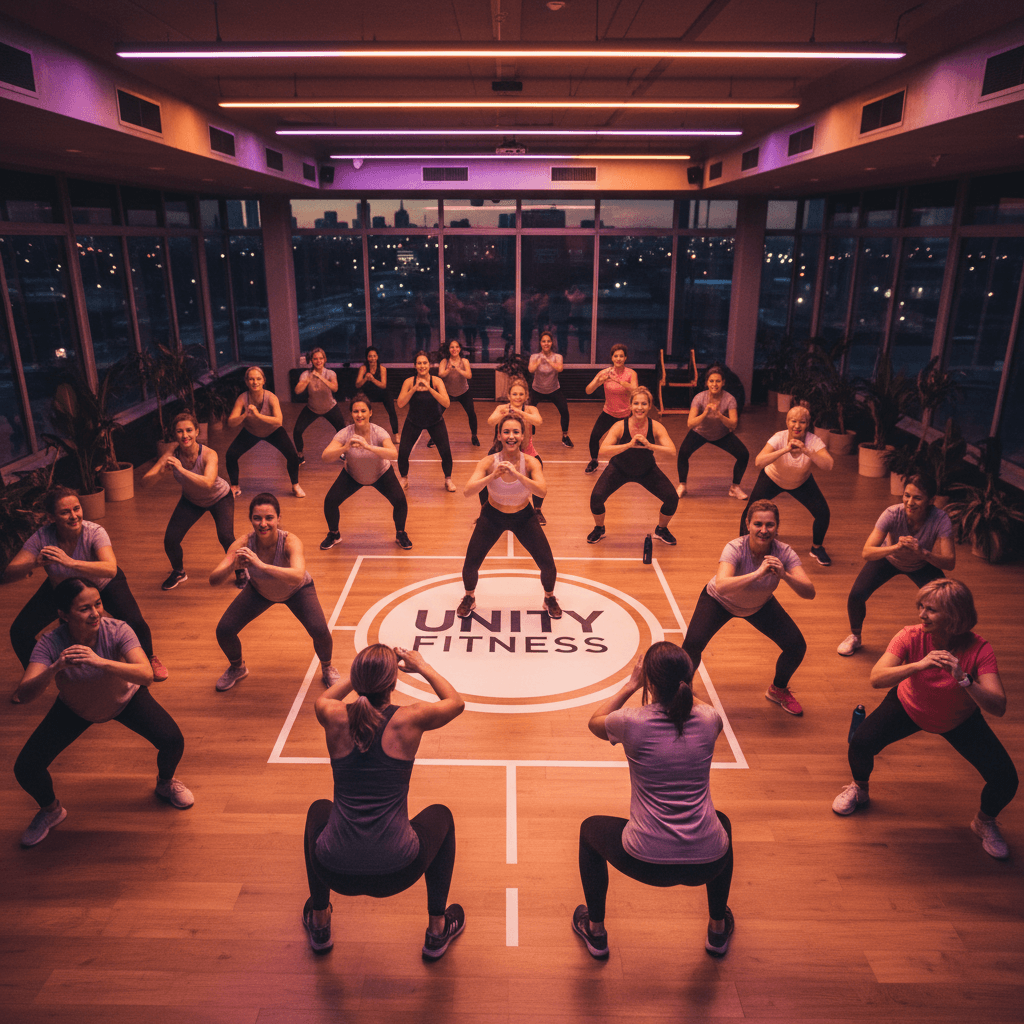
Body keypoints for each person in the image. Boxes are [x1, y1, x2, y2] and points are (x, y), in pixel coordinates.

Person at [832, 580, 1017, 860]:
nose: (921, 614)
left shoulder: (980, 649)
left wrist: (965, 680)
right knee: (860, 744)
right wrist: (919, 665)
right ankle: (860, 789)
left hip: (958, 718)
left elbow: (999, 706)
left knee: (1005, 779)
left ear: (954, 616)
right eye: (921, 606)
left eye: (931, 609)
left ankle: (984, 821)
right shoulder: (910, 635)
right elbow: (876, 678)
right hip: (908, 705)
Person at [302, 643, 466, 958]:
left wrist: (357, 674)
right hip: (398, 870)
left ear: (356, 677)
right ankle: (437, 929)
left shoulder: (332, 715)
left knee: (318, 811)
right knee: (441, 815)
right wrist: (421, 666)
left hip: (334, 870)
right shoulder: (409, 719)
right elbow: (455, 702)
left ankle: (320, 921)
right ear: (392, 684)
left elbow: (325, 697)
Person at [573, 642, 735, 960]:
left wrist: (632, 684)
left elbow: (595, 720)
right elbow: (706, 710)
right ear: (686, 681)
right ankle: (717, 930)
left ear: (650, 683)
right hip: (708, 862)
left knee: (589, 830)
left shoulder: (630, 722)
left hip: (647, 861)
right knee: (722, 823)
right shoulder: (709, 720)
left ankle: (595, 931)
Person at [13, 577, 193, 848]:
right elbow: (25, 694)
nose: (95, 612)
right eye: (84, 608)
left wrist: (100, 662)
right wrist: (54, 668)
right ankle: (51, 810)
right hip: (75, 708)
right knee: (25, 768)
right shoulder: (50, 644)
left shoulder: (118, 629)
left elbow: (145, 675)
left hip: (125, 699)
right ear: (63, 614)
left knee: (172, 740)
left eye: (97, 604)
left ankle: (165, 783)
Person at [4, 486, 166, 684]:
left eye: (77, 509)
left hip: (102, 583)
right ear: (51, 517)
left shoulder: (94, 532)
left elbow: (110, 568)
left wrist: (69, 562)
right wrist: (34, 563)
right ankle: (38, 674)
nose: (74, 516)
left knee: (134, 620)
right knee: (20, 631)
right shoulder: (42, 536)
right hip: (64, 588)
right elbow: (10, 573)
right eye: (65, 512)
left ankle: (149, 658)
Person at [682, 499, 815, 717]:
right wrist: (758, 574)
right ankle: (683, 691)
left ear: (777, 526)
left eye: (770, 525)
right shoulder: (735, 548)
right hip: (718, 601)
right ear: (748, 524)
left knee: (796, 646)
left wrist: (785, 575)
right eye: (758, 524)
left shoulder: (784, 552)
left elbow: (809, 593)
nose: (764, 530)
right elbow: (722, 586)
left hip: (759, 604)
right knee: (692, 645)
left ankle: (778, 689)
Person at [209, 492, 335, 692]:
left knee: (320, 631)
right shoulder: (243, 544)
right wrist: (232, 565)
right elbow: (213, 580)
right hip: (260, 590)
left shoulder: (290, 541)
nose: (263, 523)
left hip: (297, 590)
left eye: (269, 518)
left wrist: (260, 565)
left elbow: (297, 575)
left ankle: (328, 668)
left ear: (278, 518)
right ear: (251, 519)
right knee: (224, 630)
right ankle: (237, 667)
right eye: (257, 518)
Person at [457, 411, 561, 620]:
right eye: (506, 432)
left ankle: (549, 597)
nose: (511, 436)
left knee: (548, 563)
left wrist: (518, 476)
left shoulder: (531, 463)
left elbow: (541, 492)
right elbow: (468, 491)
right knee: (471, 563)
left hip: (524, 516)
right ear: (499, 436)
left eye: (515, 432)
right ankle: (469, 597)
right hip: (492, 516)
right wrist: (493, 475)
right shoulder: (488, 462)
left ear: (523, 437)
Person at [838, 473, 955, 657]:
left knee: (947, 602)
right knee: (856, 595)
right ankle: (855, 637)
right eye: (906, 495)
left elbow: (950, 562)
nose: (910, 502)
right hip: (889, 559)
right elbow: (867, 552)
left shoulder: (941, 520)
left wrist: (923, 553)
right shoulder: (892, 513)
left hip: (922, 563)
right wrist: (895, 548)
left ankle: (941, 642)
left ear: (931, 500)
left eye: (917, 498)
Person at [142, 412, 236, 593]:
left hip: (219, 497)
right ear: (174, 434)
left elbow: (208, 483)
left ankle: (241, 570)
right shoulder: (171, 452)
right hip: (192, 500)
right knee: (170, 539)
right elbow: (144, 483)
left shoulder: (209, 454)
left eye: (189, 430)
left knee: (226, 537)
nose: (185, 435)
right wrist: (159, 473)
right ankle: (178, 571)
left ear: (197, 431)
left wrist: (179, 468)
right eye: (179, 432)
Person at [739, 403, 833, 566]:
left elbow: (829, 465)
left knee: (823, 513)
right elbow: (758, 462)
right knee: (750, 511)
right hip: (772, 478)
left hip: (801, 482)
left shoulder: (814, 441)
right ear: (787, 422)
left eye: (802, 422)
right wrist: (784, 450)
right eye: (793, 421)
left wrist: (807, 451)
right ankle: (744, 545)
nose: (797, 426)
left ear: (807, 424)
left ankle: (817, 548)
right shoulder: (779, 437)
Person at [587, 387, 679, 546]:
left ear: (650, 406)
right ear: (630, 406)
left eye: (644, 404)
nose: (640, 407)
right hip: (619, 469)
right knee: (596, 497)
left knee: (672, 498)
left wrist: (650, 445)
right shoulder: (619, 426)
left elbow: (672, 451)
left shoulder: (655, 426)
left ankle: (661, 530)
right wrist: (628, 444)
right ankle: (599, 528)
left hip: (646, 470)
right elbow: (602, 450)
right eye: (636, 403)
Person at [320, 394, 412, 551]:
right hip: (353, 475)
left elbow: (393, 454)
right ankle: (334, 534)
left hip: (381, 474)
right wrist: (344, 448)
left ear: (370, 412)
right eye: (355, 411)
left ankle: (401, 533)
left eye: (363, 411)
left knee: (400, 501)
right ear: (351, 414)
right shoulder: (345, 433)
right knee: (330, 501)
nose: (359, 415)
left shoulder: (379, 432)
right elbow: (325, 457)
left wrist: (368, 446)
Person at [225, 366, 305, 499]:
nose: (255, 382)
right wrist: (244, 415)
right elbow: (231, 422)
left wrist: (257, 415)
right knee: (230, 455)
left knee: (292, 456)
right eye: (251, 379)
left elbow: (278, 421)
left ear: (263, 380)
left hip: (273, 431)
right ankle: (234, 486)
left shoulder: (271, 397)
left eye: (258, 379)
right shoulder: (242, 398)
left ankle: (295, 485)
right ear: (246, 381)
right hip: (251, 432)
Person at [675, 365, 749, 500]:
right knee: (683, 453)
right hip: (700, 433)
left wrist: (719, 415)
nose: (714, 384)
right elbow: (690, 423)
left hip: (722, 434)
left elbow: (734, 424)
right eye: (711, 381)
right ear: (707, 383)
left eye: (718, 381)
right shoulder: (699, 398)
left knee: (744, 454)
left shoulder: (730, 399)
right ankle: (682, 485)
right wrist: (705, 413)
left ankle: (735, 487)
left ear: (723, 382)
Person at [486, 377, 546, 523]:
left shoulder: (531, 409)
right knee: (485, 471)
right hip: (502, 450)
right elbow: (490, 421)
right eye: (514, 394)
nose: (518, 397)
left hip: (526, 450)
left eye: (521, 394)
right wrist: (503, 414)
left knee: (538, 471)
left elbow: (538, 421)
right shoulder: (502, 408)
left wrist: (521, 413)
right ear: (509, 395)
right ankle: (484, 508)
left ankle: (537, 510)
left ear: (526, 396)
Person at [396, 351, 455, 492]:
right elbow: (400, 403)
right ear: (415, 366)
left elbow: (446, 403)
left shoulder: (436, 381)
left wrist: (429, 389)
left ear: (429, 365)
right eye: (419, 363)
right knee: (403, 452)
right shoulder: (409, 382)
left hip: (435, 421)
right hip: (413, 421)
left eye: (425, 363)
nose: (422, 366)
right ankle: (404, 479)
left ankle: (448, 479)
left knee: (446, 452)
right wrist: (415, 389)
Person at [583, 344, 637, 474]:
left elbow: (636, 390)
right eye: (616, 356)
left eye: (621, 356)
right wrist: (598, 382)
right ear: (612, 358)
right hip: (608, 413)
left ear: (625, 358)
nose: (618, 359)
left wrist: (619, 381)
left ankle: (628, 465)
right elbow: (588, 390)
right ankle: (594, 461)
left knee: (627, 443)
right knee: (594, 438)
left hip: (626, 414)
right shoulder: (604, 373)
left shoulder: (631, 373)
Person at [293, 347, 347, 463]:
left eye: (321, 358)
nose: (318, 361)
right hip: (312, 408)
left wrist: (321, 377)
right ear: (311, 360)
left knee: (343, 430)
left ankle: (342, 452)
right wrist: (307, 380)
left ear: (325, 359)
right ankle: (300, 455)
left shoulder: (330, 373)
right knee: (297, 431)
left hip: (330, 407)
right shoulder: (306, 374)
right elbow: (297, 390)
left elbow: (335, 388)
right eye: (315, 359)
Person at [529, 330, 573, 448]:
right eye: (544, 341)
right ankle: (529, 438)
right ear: (540, 343)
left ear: (552, 343)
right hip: (537, 389)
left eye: (548, 341)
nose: (546, 343)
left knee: (564, 411)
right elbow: (531, 370)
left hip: (554, 389)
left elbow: (560, 369)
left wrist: (548, 360)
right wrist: (538, 361)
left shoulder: (557, 357)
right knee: (528, 412)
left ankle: (565, 436)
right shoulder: (534, 356)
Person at [438, 338, 479, 446]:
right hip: (448, 392)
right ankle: (435, 436)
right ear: (449, 349)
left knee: (471, 414)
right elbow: (440, 375)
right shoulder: (444, 361)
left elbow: (469, 375)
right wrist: (448, 370)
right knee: (437, 414)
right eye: (452, 347)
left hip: (463, 392)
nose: (454, 349)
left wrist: (458, 369)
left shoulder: (464, 361)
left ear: (460, 349)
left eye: (456, 347)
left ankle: (474, 436)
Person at [355, 347, 399, 435]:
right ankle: (362, 432)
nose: (372, 358)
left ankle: (396, 433)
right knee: (362, 410)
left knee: (392, 410)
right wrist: (365, 379)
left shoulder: (382, 369)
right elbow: (357, 385)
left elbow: (383, 385)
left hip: (381, 393)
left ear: (377, 357)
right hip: (368, 392)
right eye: (370, 356)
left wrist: (372, 379)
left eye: (374, 356)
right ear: (367, 358)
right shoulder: (363, 368)